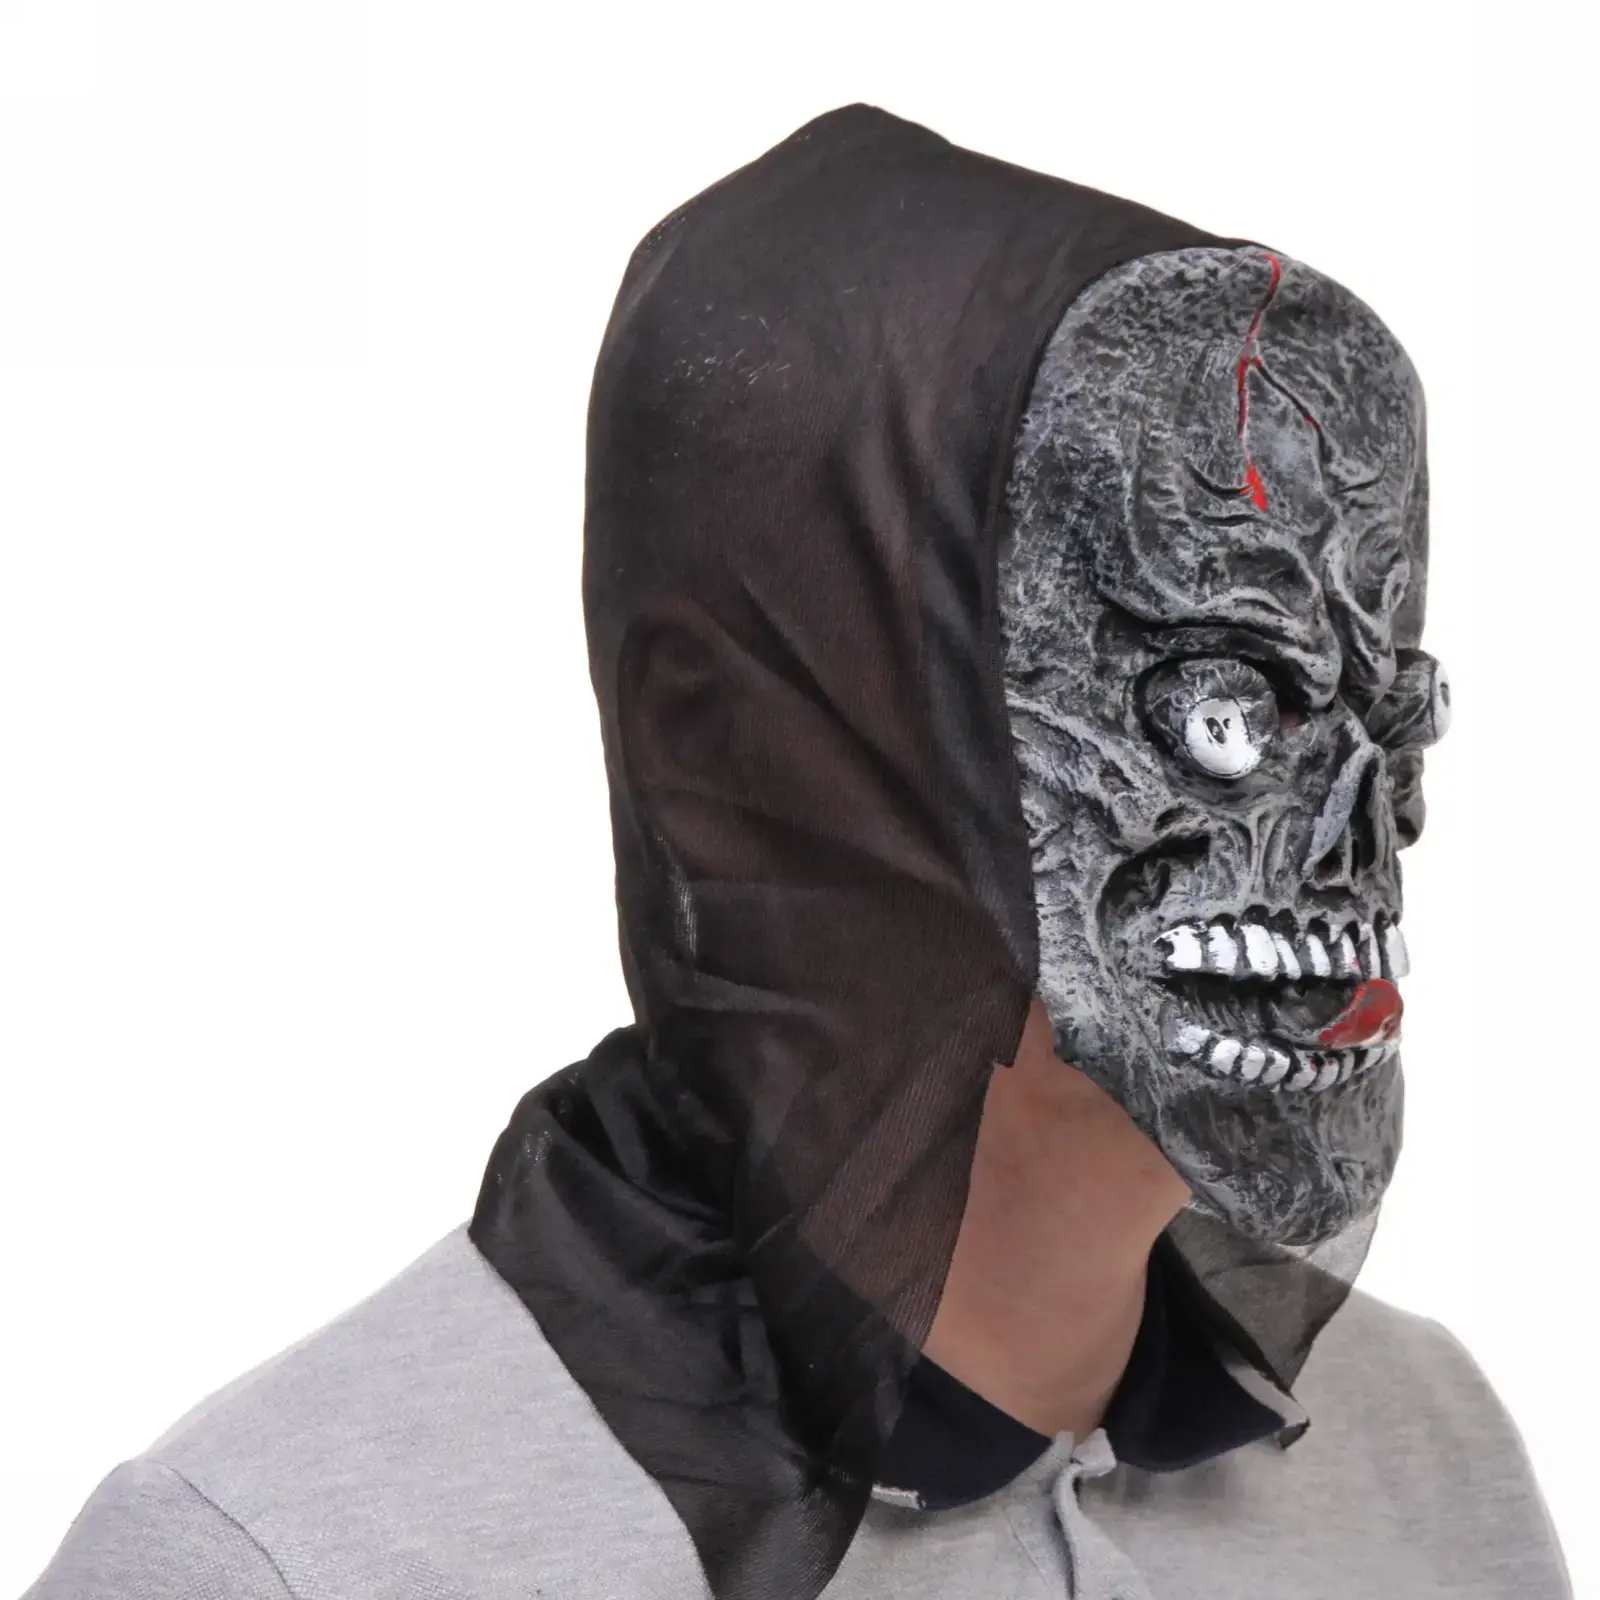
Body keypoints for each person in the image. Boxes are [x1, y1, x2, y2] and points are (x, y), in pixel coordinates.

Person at [23, 104, 1571, 1600]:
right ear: (745, 750)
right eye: (1226, 707)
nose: (1367, 830)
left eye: (1391, 708)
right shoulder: (287, 1566)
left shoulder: (1428, 1462)